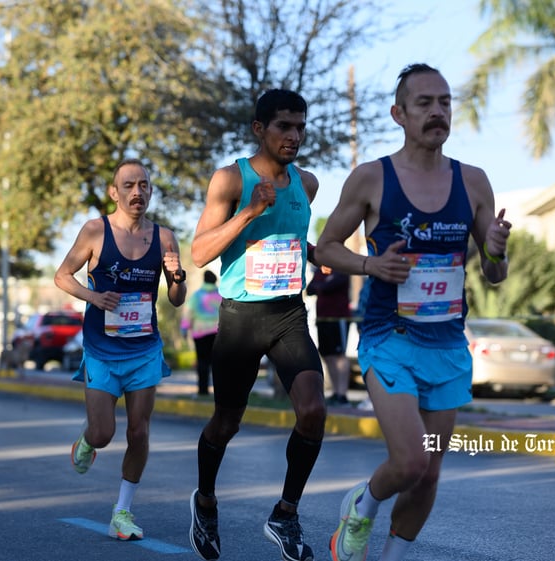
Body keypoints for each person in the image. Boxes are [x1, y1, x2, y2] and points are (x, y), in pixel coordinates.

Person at [315, 63, 511, 561]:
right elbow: (326, 249)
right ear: (398, 114)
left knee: (429, 472)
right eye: (424, 103)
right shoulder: (371, 178)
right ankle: (362, 504)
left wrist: (494, 250)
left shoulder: (473, 182)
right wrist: (370, 265)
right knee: (408, 461)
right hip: (389, 337)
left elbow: (493, 274)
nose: (437, 112)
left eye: (444, 102)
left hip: (446, 344)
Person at [187, 88, 326, 561]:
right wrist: (250, 211)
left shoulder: (307, 184)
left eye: (301, 126)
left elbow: (291, 239)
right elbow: (200, 252)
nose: (294, 135)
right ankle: (205, 499)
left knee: (312, 411)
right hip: (242, 317)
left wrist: (319, 257)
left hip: (288, 313)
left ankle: (285, 513)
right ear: (259, 129)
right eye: (284, 126)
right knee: (227, 421)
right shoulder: (230, 180)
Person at [54, 158, 187, 543]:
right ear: (114, 193)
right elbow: (62, 276)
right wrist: (94, 296)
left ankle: (122, 512)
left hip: (144, 349)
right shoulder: (96, 231)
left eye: (143, 185)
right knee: (104, 432)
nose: (137, 192)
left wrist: (177, 276)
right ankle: (87, 441)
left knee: (139, 432)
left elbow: (177, 300)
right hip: (101, 348)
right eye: (128, 185)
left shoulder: (164, 238)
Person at [306, 266, 352, 406]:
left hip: (338, 318)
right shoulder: (322, 270)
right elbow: (310, 289)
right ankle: (335, 391)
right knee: (328, 355)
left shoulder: (342, 269)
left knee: (339, 355)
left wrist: (322, 286)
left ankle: (342, 395)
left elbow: (330, 286)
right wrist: (323, 285)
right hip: (322, 318)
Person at [181, 270, 222, 396]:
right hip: (218, 332)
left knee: (202, 362)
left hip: (200, 332)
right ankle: (220, 391)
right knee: (218, 363)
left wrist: (184, 329)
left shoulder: (197, 296)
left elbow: (188, 312)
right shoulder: (221, 295)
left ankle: (203, 390)